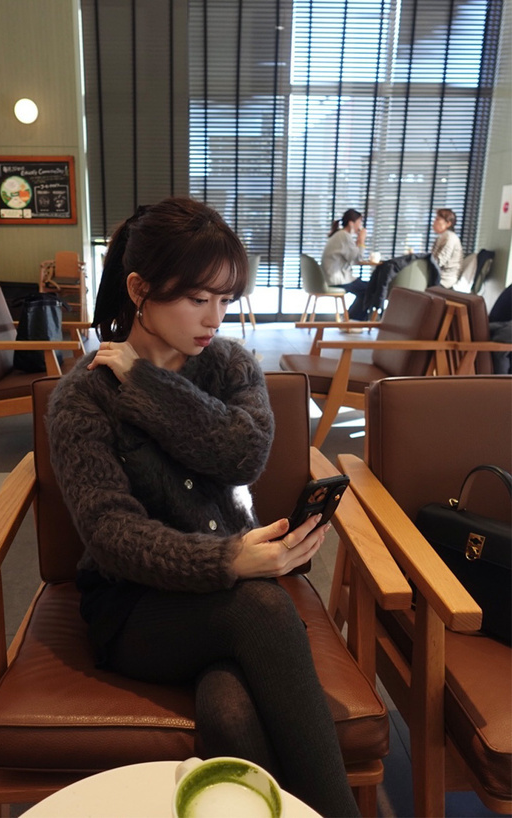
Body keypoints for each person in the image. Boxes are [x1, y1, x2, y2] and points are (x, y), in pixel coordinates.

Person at [47, 196, 360, 818]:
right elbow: (111, 533)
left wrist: (150, 384)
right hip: (137, 609)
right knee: (262, 609)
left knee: (230, 714)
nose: (215, 318)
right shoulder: (82, 398)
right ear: (139, 289)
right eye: (197, 299)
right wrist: (228, 562)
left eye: (225, 299)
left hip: (232, 597)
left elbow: (244, 455)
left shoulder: (228, 365)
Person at [320, 209, 370, 320]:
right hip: (337, 279)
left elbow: (351, 256)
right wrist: (361, 240)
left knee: (368, 288)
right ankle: (351, 320)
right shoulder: (344, 236)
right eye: (359, 222)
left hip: (333, 277)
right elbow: (357, 258)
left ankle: (350, 318)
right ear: (351, 223)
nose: (360, 226)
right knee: (370, 289)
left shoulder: (340, 235)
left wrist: (358, 243)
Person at [431, 208, 463, 288]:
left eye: (437, 219)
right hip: (439, 278)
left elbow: (439, 262)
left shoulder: (449, 237)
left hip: (444, 281)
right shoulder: (443, 236)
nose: (434, 222)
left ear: (448, 223)